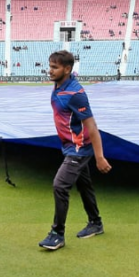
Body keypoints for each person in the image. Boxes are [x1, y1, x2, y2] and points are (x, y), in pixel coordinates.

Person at [38, 50, 112, 251]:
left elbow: (92, 126)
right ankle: (95, 223)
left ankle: (57, 234)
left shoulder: (76, 94)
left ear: (67, 69)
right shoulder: (59, 85)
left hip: (78, 149)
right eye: (50, 66)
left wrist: (99, 157)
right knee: (84, 185)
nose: (50, 71)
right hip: (70, 146)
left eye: (55, 67)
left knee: (60, 185)